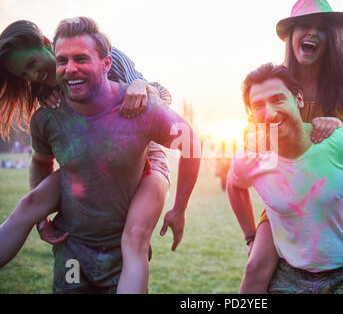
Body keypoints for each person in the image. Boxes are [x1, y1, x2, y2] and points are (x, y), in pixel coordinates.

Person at [0, 17, 202, 293]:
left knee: (135, 237)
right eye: (25, 74)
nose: (34, 75)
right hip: (89, 155)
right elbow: (41, 161)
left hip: (141, 149)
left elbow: (187, 137)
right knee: (29, 205)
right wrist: (41, 217)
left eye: (34, 65)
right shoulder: (46, 101)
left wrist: (142, 88)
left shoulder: (121, 74)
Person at [236, 0, 343, 294]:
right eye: (304, 26)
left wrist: (340, 125)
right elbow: (255, 131)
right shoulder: (277, 81)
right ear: (291, 36)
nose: (312, 32)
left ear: (331, 39)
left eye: (321, 27)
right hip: (290, 189)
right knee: (255, 266)